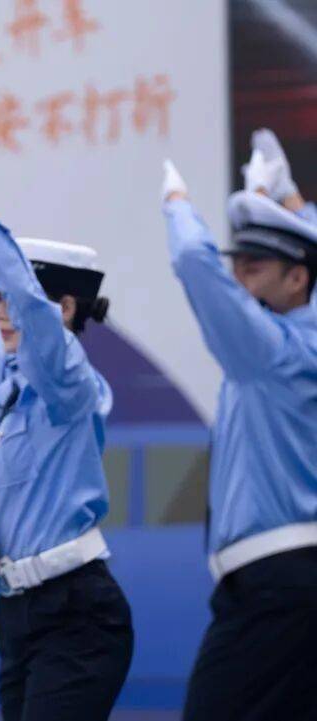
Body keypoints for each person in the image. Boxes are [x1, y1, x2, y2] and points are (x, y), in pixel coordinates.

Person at [0, 132, 133, 721]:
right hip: (18, 610)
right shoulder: (14, 376)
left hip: (76, 610)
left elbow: (30, 309)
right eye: (0, 301)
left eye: (11, 301)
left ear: (65, 310)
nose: (2, 314)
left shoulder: (68, 382)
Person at [161, 133, 317, 721]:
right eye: (239, 263)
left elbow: (194, 262)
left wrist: (176, 201)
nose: (239, 276)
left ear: (297, 279)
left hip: (272, 586)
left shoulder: (267, 350)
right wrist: (290, 201)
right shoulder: (300, 337)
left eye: (254, 266)